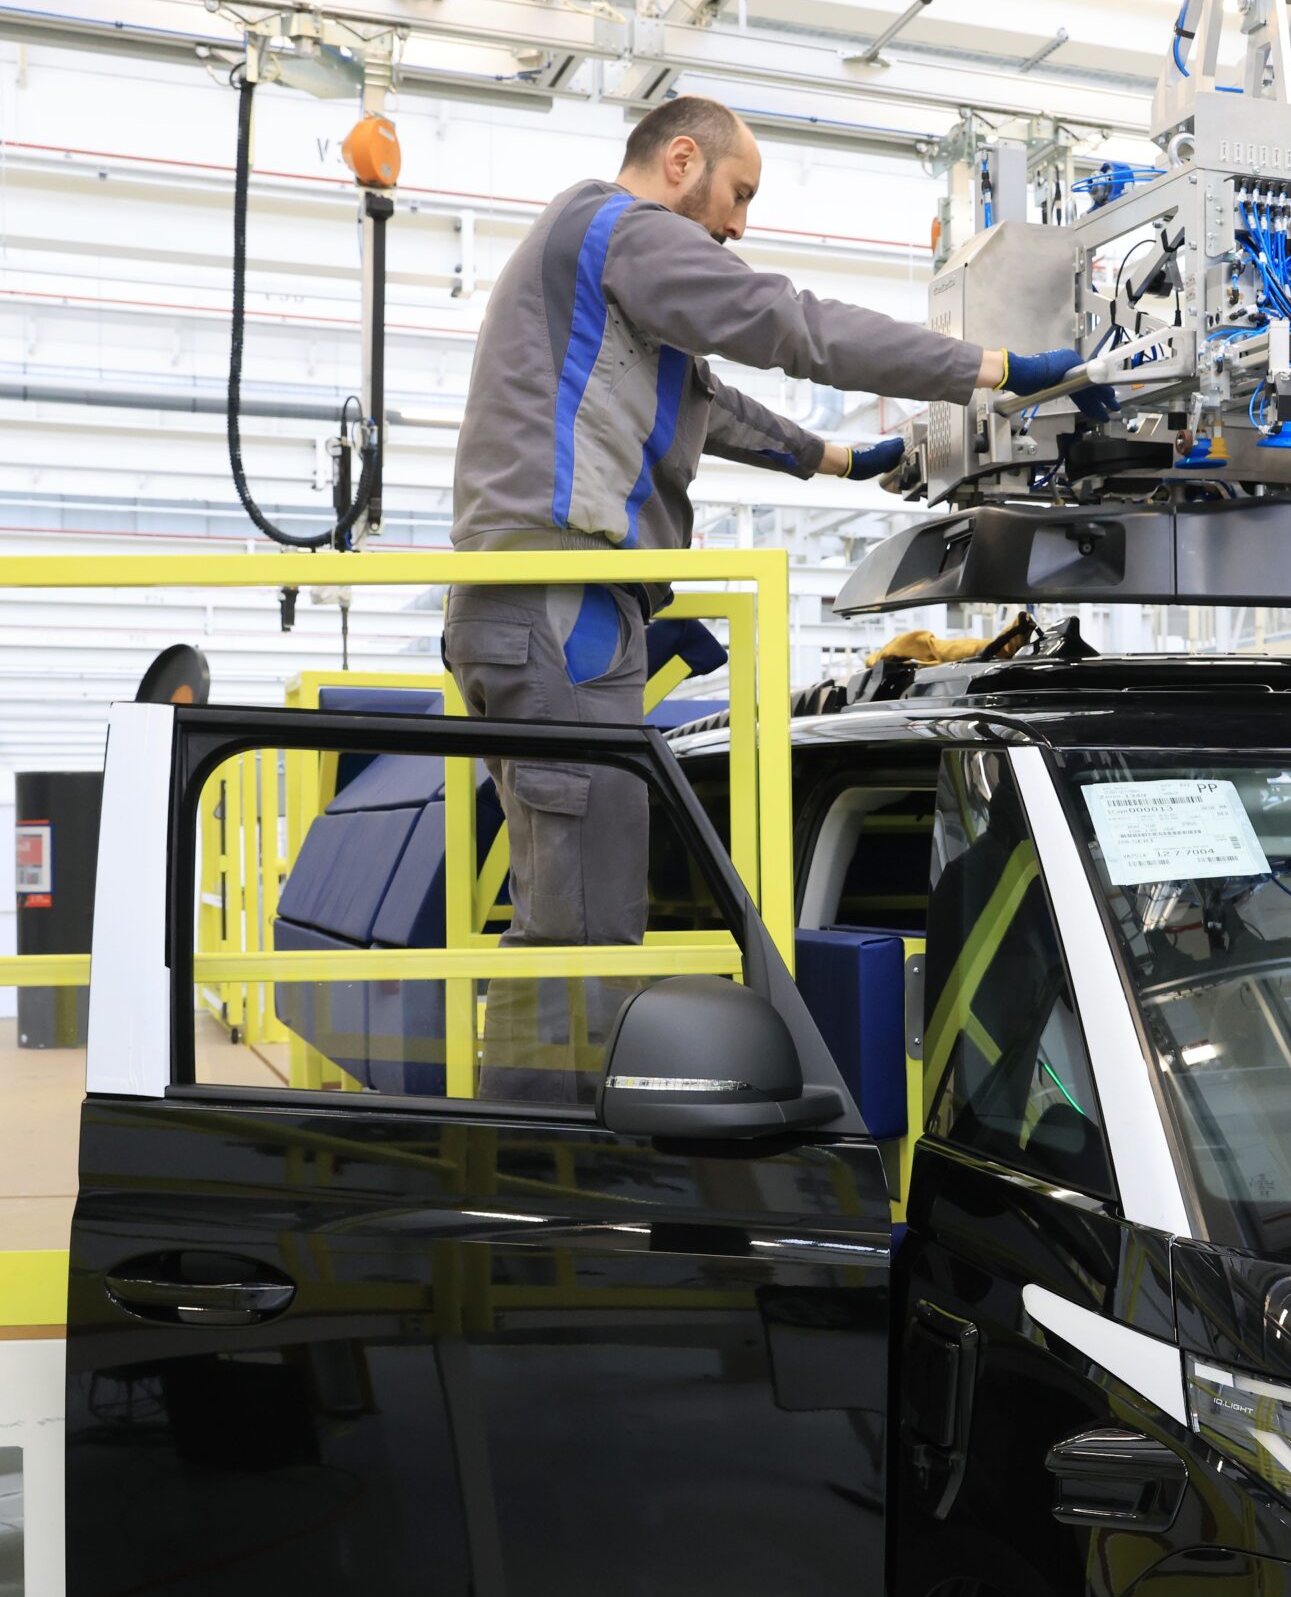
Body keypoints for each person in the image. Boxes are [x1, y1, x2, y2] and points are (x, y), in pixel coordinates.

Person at [442, 94, 1097, 1097]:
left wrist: (838, 458)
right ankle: (548, 1172)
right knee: (583, 932)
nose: (739, 224)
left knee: (567, 916)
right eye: (738, 194)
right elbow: (789, 324)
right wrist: (996, 371)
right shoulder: (626, 231)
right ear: (681, 159)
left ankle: (542, 1157)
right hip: (559, 606)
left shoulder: (591, 264)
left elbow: (703, 399)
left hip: (545, 609)